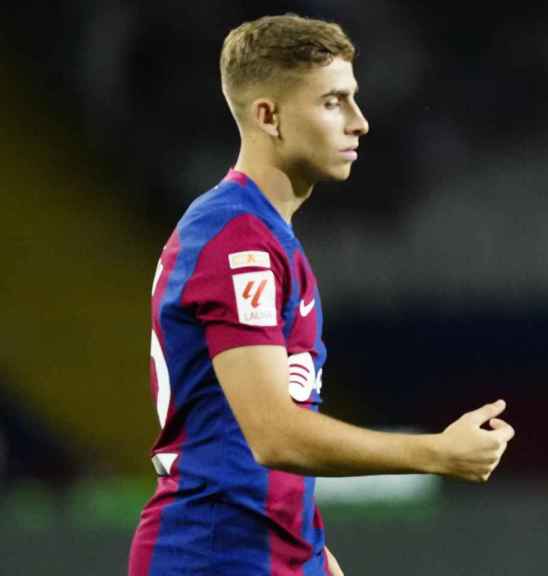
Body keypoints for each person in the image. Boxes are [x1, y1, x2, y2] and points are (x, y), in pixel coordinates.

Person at [129, 14, 515, 576]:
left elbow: (259, 445)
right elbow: (274, 434)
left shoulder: (264, 237)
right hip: (212, 556)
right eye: (334, 102)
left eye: (353, 99)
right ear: (269, 116)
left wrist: (311, 554)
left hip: (267, 551)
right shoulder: (236, 242)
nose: (358, 122)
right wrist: (434, 453)